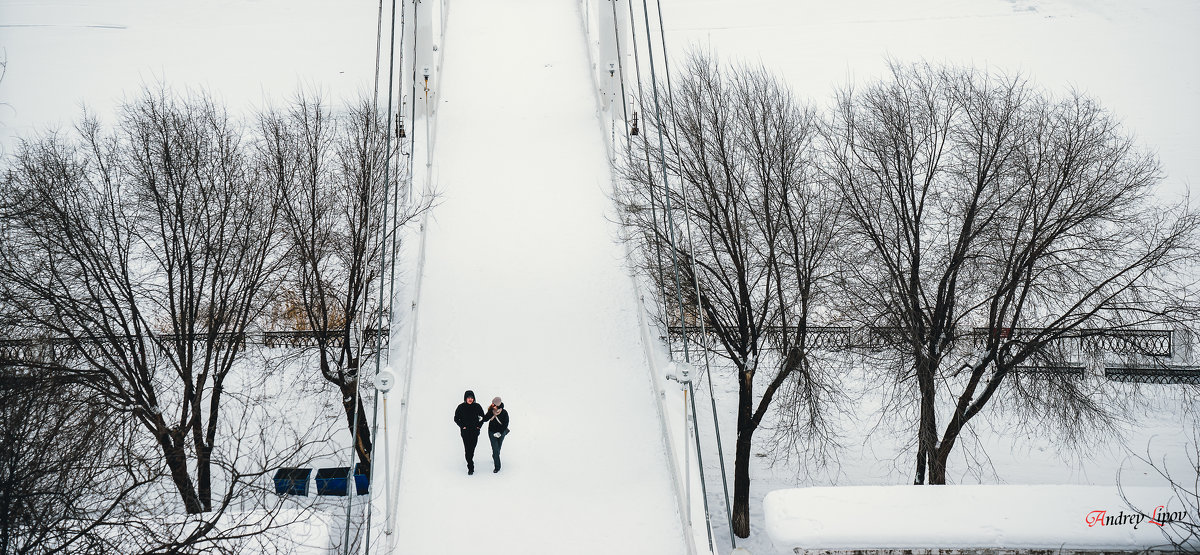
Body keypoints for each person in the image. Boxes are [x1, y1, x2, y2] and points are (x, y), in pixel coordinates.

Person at [453, 390, 484, 475]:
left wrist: (479, 426)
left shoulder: (477, 406)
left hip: (475, 431)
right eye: (468, 398)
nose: (470, 399)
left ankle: (469, 459)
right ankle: (470, 466)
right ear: (465, 398)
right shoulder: (461, 407)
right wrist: (462, 426)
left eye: (472, 398)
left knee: (472, 449)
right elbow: (456, 418)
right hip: (465, 432)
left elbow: (482, 417)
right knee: (467, 449)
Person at [482, 396, 510, 473]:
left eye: (494, 404)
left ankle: (495, 456)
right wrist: (481, 418)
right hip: (491, 432)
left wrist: (500, 433)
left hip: (501, 433)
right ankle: (497, 467)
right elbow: (485, 418)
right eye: (492, 403)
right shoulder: (491, 411)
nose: (492, 405)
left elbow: (505, 424)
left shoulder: (504, 412)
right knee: (495, 448)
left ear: (498, 405)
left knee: (498, 447)